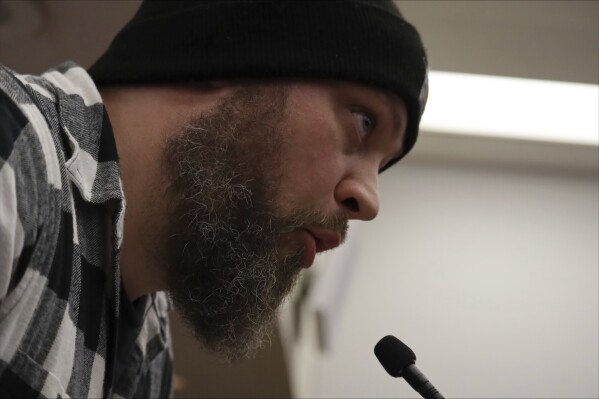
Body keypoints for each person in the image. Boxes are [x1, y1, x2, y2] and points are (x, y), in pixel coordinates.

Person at [0, 0, 428, 397]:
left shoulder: (150, 344)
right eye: (364, 120)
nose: (369, 201)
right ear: (236, 51)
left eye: (382, 165)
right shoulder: (14, 152)